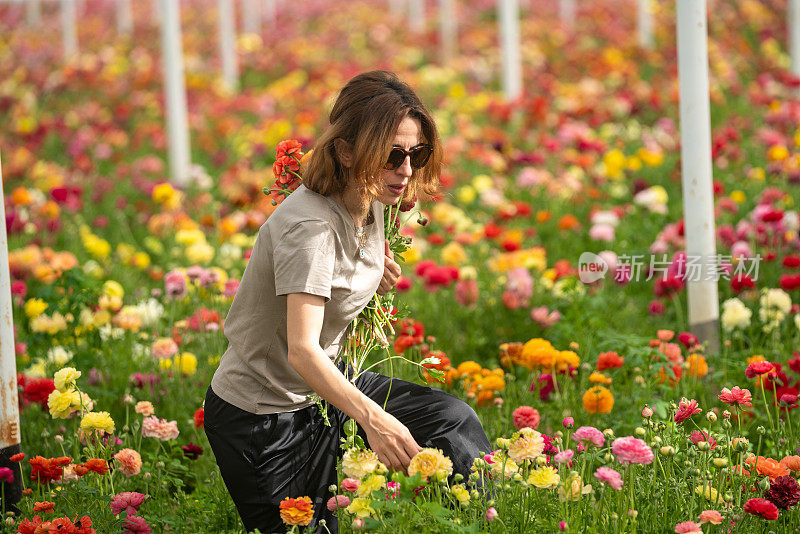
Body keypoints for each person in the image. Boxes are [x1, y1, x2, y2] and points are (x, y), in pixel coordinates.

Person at [204, 70, 492, 533]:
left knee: (452, 423)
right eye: (391, 155)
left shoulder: (370, 197)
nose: (406, 170)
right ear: (344, 151)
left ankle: (480, 522)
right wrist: (376, 421)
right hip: (264, 421)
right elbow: (301, 348)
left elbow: (343, 257)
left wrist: (372, 271)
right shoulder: (310, 229)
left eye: (416, 154)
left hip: (322, 393)